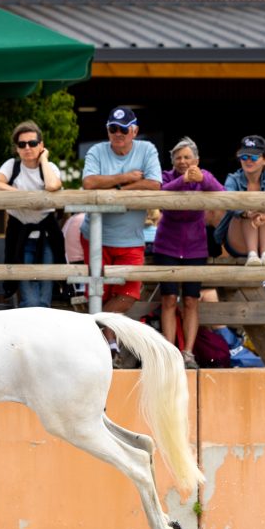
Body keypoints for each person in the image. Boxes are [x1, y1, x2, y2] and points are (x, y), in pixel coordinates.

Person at [80, 106, 161, 363]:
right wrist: (124, 179)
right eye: (113, 129)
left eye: (123, 129)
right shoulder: (96, 150)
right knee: (98, 292)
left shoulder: (147, 149)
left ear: (134, 130)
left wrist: (113, 187)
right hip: (95, 235)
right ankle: (108, 345)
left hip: (131, 238)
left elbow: (154, 184)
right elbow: (89, 183)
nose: (118, 134)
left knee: (128, 294)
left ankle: (91, 331)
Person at [154, 137, 225, 370]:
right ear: (173, 161)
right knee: (168, 298)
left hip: (195, 246)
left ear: (196, 160)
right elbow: (161, 194)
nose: (183, 161)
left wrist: (202, 178)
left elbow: (221, 192)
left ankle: (187, 353)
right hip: (167, 244)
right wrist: (182, 181)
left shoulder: (204, 176)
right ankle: (169, 351)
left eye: (187, 157)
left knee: (191, 300)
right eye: (178, 158)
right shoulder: (166, 176)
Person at [0, 120, 63, 308]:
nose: (27, 147)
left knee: (45, 297)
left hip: (47, 235)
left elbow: (53, 185)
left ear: (41, 145)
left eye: (33, 143)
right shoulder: (12, 165)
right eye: (22, 144)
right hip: (19, 234)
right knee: (30, 299)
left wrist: (44, 159)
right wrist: (24, 197)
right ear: (17, 148)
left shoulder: (50, 167)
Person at [214, 135, 265, 267]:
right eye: (244, 157)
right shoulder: (232, 178)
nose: (248, 161)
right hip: (238, 241)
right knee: (249, 205)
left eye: (254, 157)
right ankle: (252, 254)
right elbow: (227, 201)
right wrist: (245, 213)